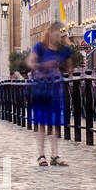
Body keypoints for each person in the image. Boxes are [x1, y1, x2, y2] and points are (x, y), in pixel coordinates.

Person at [26, 21, 73, 166]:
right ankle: (41, 155)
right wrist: (42, 66)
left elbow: (70, 67)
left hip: (56, 87)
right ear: (50, 33)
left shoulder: (63, 50)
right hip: (41, 87)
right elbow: (30, 62)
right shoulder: (40, 47)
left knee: (55, 123)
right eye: (56, 32)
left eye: (60, 32)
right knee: (41, 122)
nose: (59, 34)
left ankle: (55, 155)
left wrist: (67, 42)